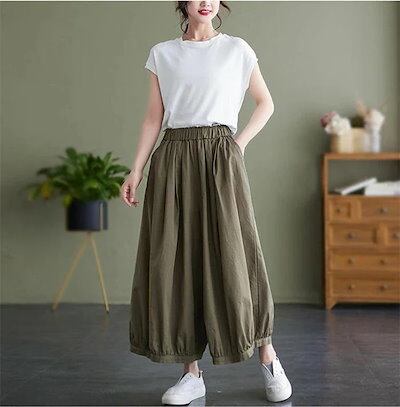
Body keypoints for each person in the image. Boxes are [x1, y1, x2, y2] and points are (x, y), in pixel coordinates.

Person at [121, 1, 292, 404]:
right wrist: (136, 170)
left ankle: (268, 358)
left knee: (238, 253)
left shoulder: (237, 49)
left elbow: (265, 102)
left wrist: (237, 144)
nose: (205, 2)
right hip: (173, 156)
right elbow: (153, 118)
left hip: (220, 155)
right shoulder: (162, 54)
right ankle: (191, 373)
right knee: (177, 260)